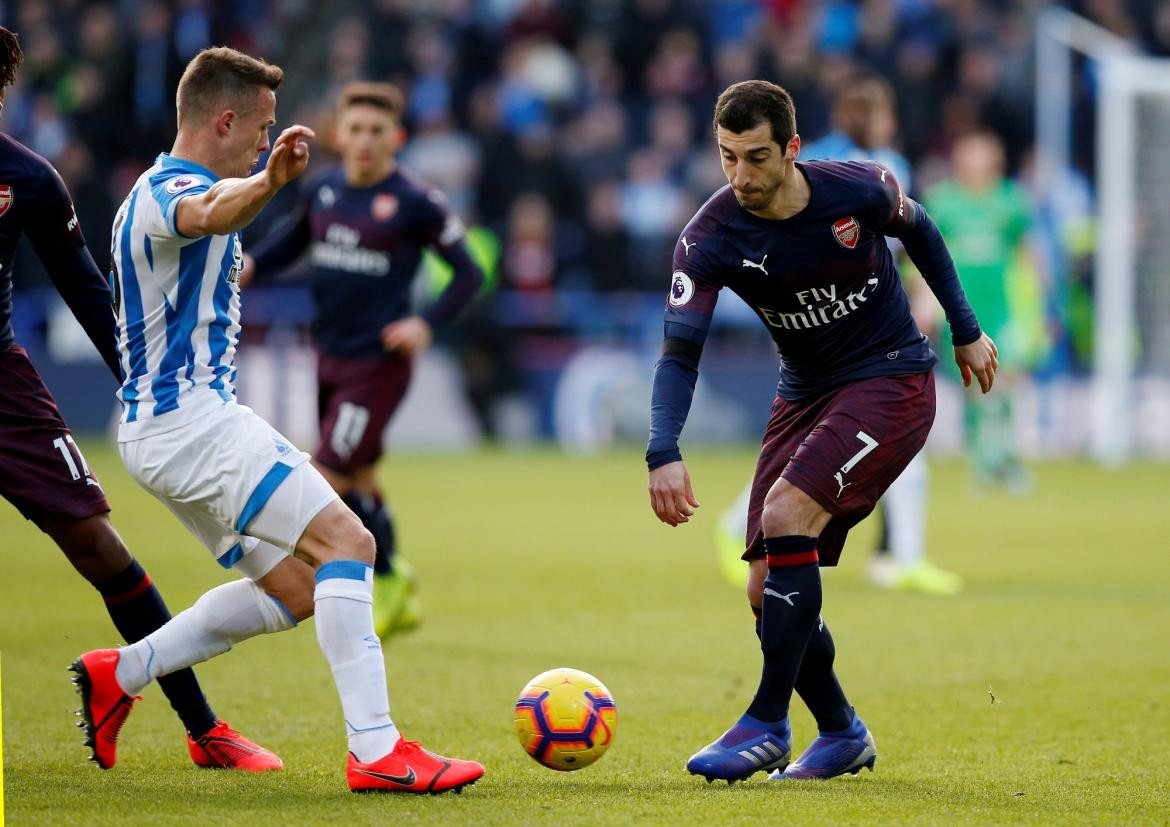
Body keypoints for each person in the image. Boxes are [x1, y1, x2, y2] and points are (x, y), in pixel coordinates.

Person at [70, 47, 483, 794]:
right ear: (223, 121)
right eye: (260, 128)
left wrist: (261, 185)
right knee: (347, 540)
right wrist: (267, 181)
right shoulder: (173, 193)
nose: (267, 141)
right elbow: (212, 212)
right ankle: (378, 750)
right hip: (192, 423)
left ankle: (121, 671)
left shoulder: (153, 192)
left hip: (163, 431)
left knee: (297, 588)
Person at [646, 80, 996, 782]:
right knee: (761, 586)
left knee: (783, 513)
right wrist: (664, 447)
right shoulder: (709, 237)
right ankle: (840, 729)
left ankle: (768, 719)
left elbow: (922, 230)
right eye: (727, 158)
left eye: (755, 157)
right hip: (804, 392)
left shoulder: (858, 189)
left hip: (891, 378)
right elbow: (679, 351)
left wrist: (966, 330)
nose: (740, 176)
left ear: (792, 149)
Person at [0, 26, 278, 772]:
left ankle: (203, 728)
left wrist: (148, 387)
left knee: (97, 541)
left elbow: (89, 293)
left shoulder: (26, 179)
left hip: (3, 388)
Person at [242, 81, 484, 639]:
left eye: (378, 131)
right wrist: (252, 265)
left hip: (377, 366)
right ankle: (398, 580)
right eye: (356, 130)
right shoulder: (323, 190)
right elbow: (292, 241)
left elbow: (468, 271)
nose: (366, 140)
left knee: (327, 475)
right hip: (327, 353)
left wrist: (426, 323)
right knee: (362, 479)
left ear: (396, 138)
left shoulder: (415, 201)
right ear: (339, 134)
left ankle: (334, 582)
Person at [924, 131, 1035, 491]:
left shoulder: (1010, 201)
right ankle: (984, 461)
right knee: (976, 386)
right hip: (960, 311)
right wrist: (924, 303)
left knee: (1008, 380)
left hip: (1003, 309)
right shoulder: (944, 203)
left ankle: (1003, 456)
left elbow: (1026, 253)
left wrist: (1039, 302)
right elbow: (924, 259)